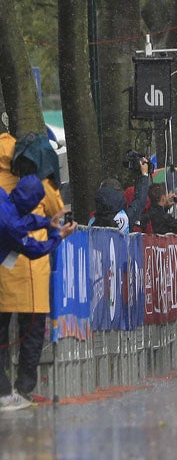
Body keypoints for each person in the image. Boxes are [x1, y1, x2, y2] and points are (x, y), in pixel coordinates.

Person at [0, 175, 75, 411]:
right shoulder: (11, 226)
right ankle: (6, 393)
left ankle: (5, 391)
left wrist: (45, 223)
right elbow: (33, 249)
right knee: (24, 336)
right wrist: (58, 237)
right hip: (26, 283)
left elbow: (20, 219)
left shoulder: (3, 197)